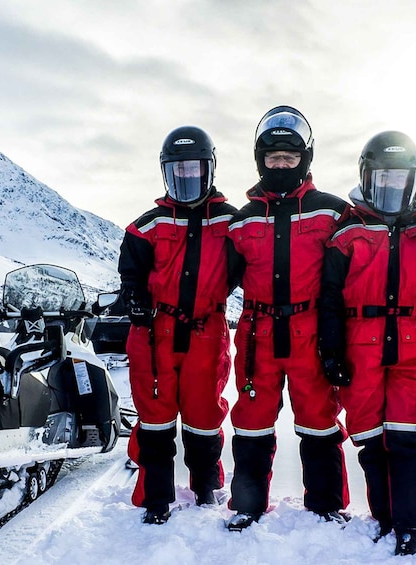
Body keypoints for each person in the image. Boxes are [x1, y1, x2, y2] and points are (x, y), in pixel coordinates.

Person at [318, 131, 416, 555]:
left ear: (413, 182)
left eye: (400, 182)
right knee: (369, 437)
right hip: (360, 349)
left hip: (412, 349)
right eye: (383, 181)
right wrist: (331, 352)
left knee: (409, 436)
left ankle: (412, 523)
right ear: (367, 178)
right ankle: (384, 517)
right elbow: (329, 300)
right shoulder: (347, 236)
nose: (391, 190)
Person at [225, 106, 350, 531]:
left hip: (311, 330)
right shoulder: (241, 220)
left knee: (318, 418)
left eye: (289, 158)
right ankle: (248, 505)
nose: (280, 165)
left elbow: (349, 275)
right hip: (257, 333)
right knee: (252, 420)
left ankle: (325, 506)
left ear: (305, 159)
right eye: (273, 158)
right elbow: (216, 277)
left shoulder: (333, 212)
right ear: (260, 160)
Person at [118, 125, 237, 525]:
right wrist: (134, 300)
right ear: (166, 173)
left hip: (207, 330)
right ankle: (156, 498)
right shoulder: (145, 226)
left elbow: (246, 266)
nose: (186, 179)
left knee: (204, 415)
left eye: (194, 171)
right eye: (178, 172)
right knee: (155, 418)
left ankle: (206, 487)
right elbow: (131, 276)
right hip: (154, 333)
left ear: (209, 170)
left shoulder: (231, 222)